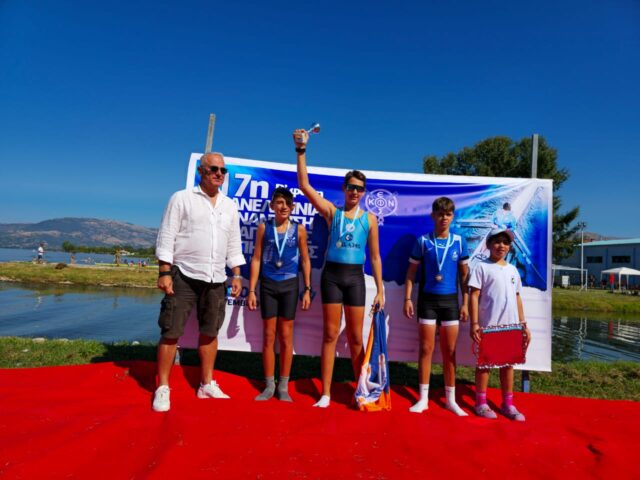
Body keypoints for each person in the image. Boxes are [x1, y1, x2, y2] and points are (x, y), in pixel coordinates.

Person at [294, 128, 384, 408]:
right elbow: (304, 186)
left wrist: (381, 290)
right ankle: (325, 394)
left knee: (356, 338)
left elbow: (375, 257)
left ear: (364, 192)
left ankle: (361, 392)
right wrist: (301, 150)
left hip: (355, 278)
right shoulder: (332, 212)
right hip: (332, 276)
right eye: (351, 187)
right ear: (344, 189)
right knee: (331, 335)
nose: (355, 192)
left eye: (360, 188)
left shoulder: (370, 219)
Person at [152, 152, 246, 412]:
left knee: (210, 332)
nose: (219, 174)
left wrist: (237, 274)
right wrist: (164, 272)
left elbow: (234, 243)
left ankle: (206, 384)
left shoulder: (229, 206)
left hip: (216, 278)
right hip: (184, 275)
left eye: (223, 170)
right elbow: (167, 236)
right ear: (201, 171)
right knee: (171, 332)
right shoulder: (181, 198)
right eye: (213, 169)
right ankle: (162, 387)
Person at [403, 197, 470, 415]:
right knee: (426, 349)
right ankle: (423, 399)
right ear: (433, 216)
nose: (444, 218)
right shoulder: (423, 241)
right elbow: (411, 273)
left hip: (450, 302)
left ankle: (451, 400)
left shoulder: (459, 242)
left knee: (449, 351)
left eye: (448, 214)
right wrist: (407, 299)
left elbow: (464, 277)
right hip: (428, 301)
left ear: (453, 217)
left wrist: (465, 303)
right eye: (440, 214)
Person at [247, 187, 312, 402]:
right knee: (268, 336)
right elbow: (256, 258)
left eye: (287, 203)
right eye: (279, 202)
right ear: (273, 205)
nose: (283, 207)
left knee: (285, 336)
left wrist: (307, 289)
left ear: (293, 207)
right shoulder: (264, 227)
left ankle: (283, 386)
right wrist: (252, 290)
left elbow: (305, 260)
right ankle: (269, 385)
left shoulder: (299, 229)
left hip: (290, 285)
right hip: (268, 284)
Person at [468, 227, 531, 421]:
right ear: (488, 245)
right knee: (484, 365)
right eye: (496, 241)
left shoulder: (512, 270)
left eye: (505, 242)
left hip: (511, 326)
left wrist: (523, 323)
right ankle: (480, 403)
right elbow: (474, 295)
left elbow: (517, 297)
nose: (501, 246)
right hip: (488, 326)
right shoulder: (481, 267)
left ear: (509, 247)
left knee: (508, 365)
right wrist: (474, 323)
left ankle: (507, 404)